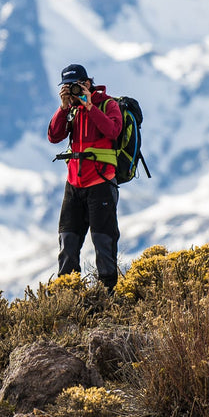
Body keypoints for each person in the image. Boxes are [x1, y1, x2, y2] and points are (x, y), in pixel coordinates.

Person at [48, 63, 123, 289]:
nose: (71, 91)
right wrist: (63, 108)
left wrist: (90, 106)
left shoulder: (108, 104)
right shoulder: (71, 110)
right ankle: (67, 294)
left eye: (75, 86)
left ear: (87, 84)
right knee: (67, 241)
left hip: (101, 183)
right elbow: (54, 136)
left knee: (103, 241)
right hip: (74, 185)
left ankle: (108, 294)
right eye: (66, 87)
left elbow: (113, 131)